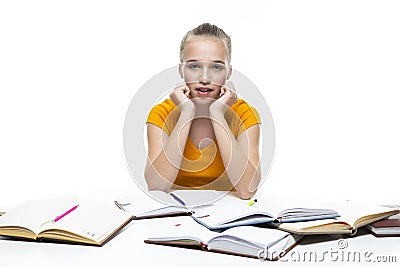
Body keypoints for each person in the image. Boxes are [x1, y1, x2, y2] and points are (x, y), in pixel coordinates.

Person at [144, 23, 261, 199]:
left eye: (216, 67)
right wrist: (186, 113)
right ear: (180, 70)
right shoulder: (161, 113)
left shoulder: (245, 114)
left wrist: (218, 114)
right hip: (175, 216)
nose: (205, 78)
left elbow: (247, 191)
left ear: (228, 73)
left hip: (229, 217)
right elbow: (155, 186)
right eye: (194, 66)